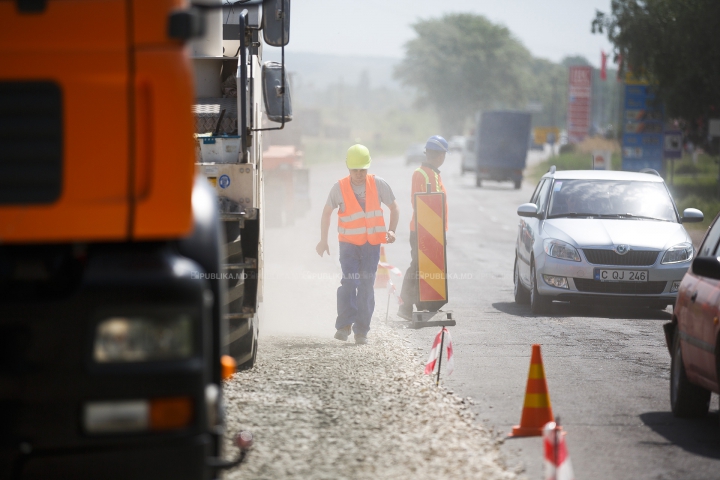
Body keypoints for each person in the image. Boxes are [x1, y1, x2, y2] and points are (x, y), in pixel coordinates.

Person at [316, 144, 400, 344]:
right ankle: (344, 326)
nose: (359, 174)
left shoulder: (379, 184)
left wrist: (392, 231)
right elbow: (326, 213)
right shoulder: (340, 187)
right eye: (355, 170)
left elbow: (394, 208)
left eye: (363, 169)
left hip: (371, 246)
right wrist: (323, 239)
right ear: (348, 168)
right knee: (349, 282)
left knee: (366, 286)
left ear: (368, 167)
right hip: (348, 246)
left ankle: (361, 331)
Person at [397, 135, 449, 320]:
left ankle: (421, 303)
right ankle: (405, 306)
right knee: (417, 267)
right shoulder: (428, 174)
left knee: (423, 267)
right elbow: (433, 202)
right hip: (426, 230)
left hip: (427, 229)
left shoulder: (427, 172)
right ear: (441, 156)